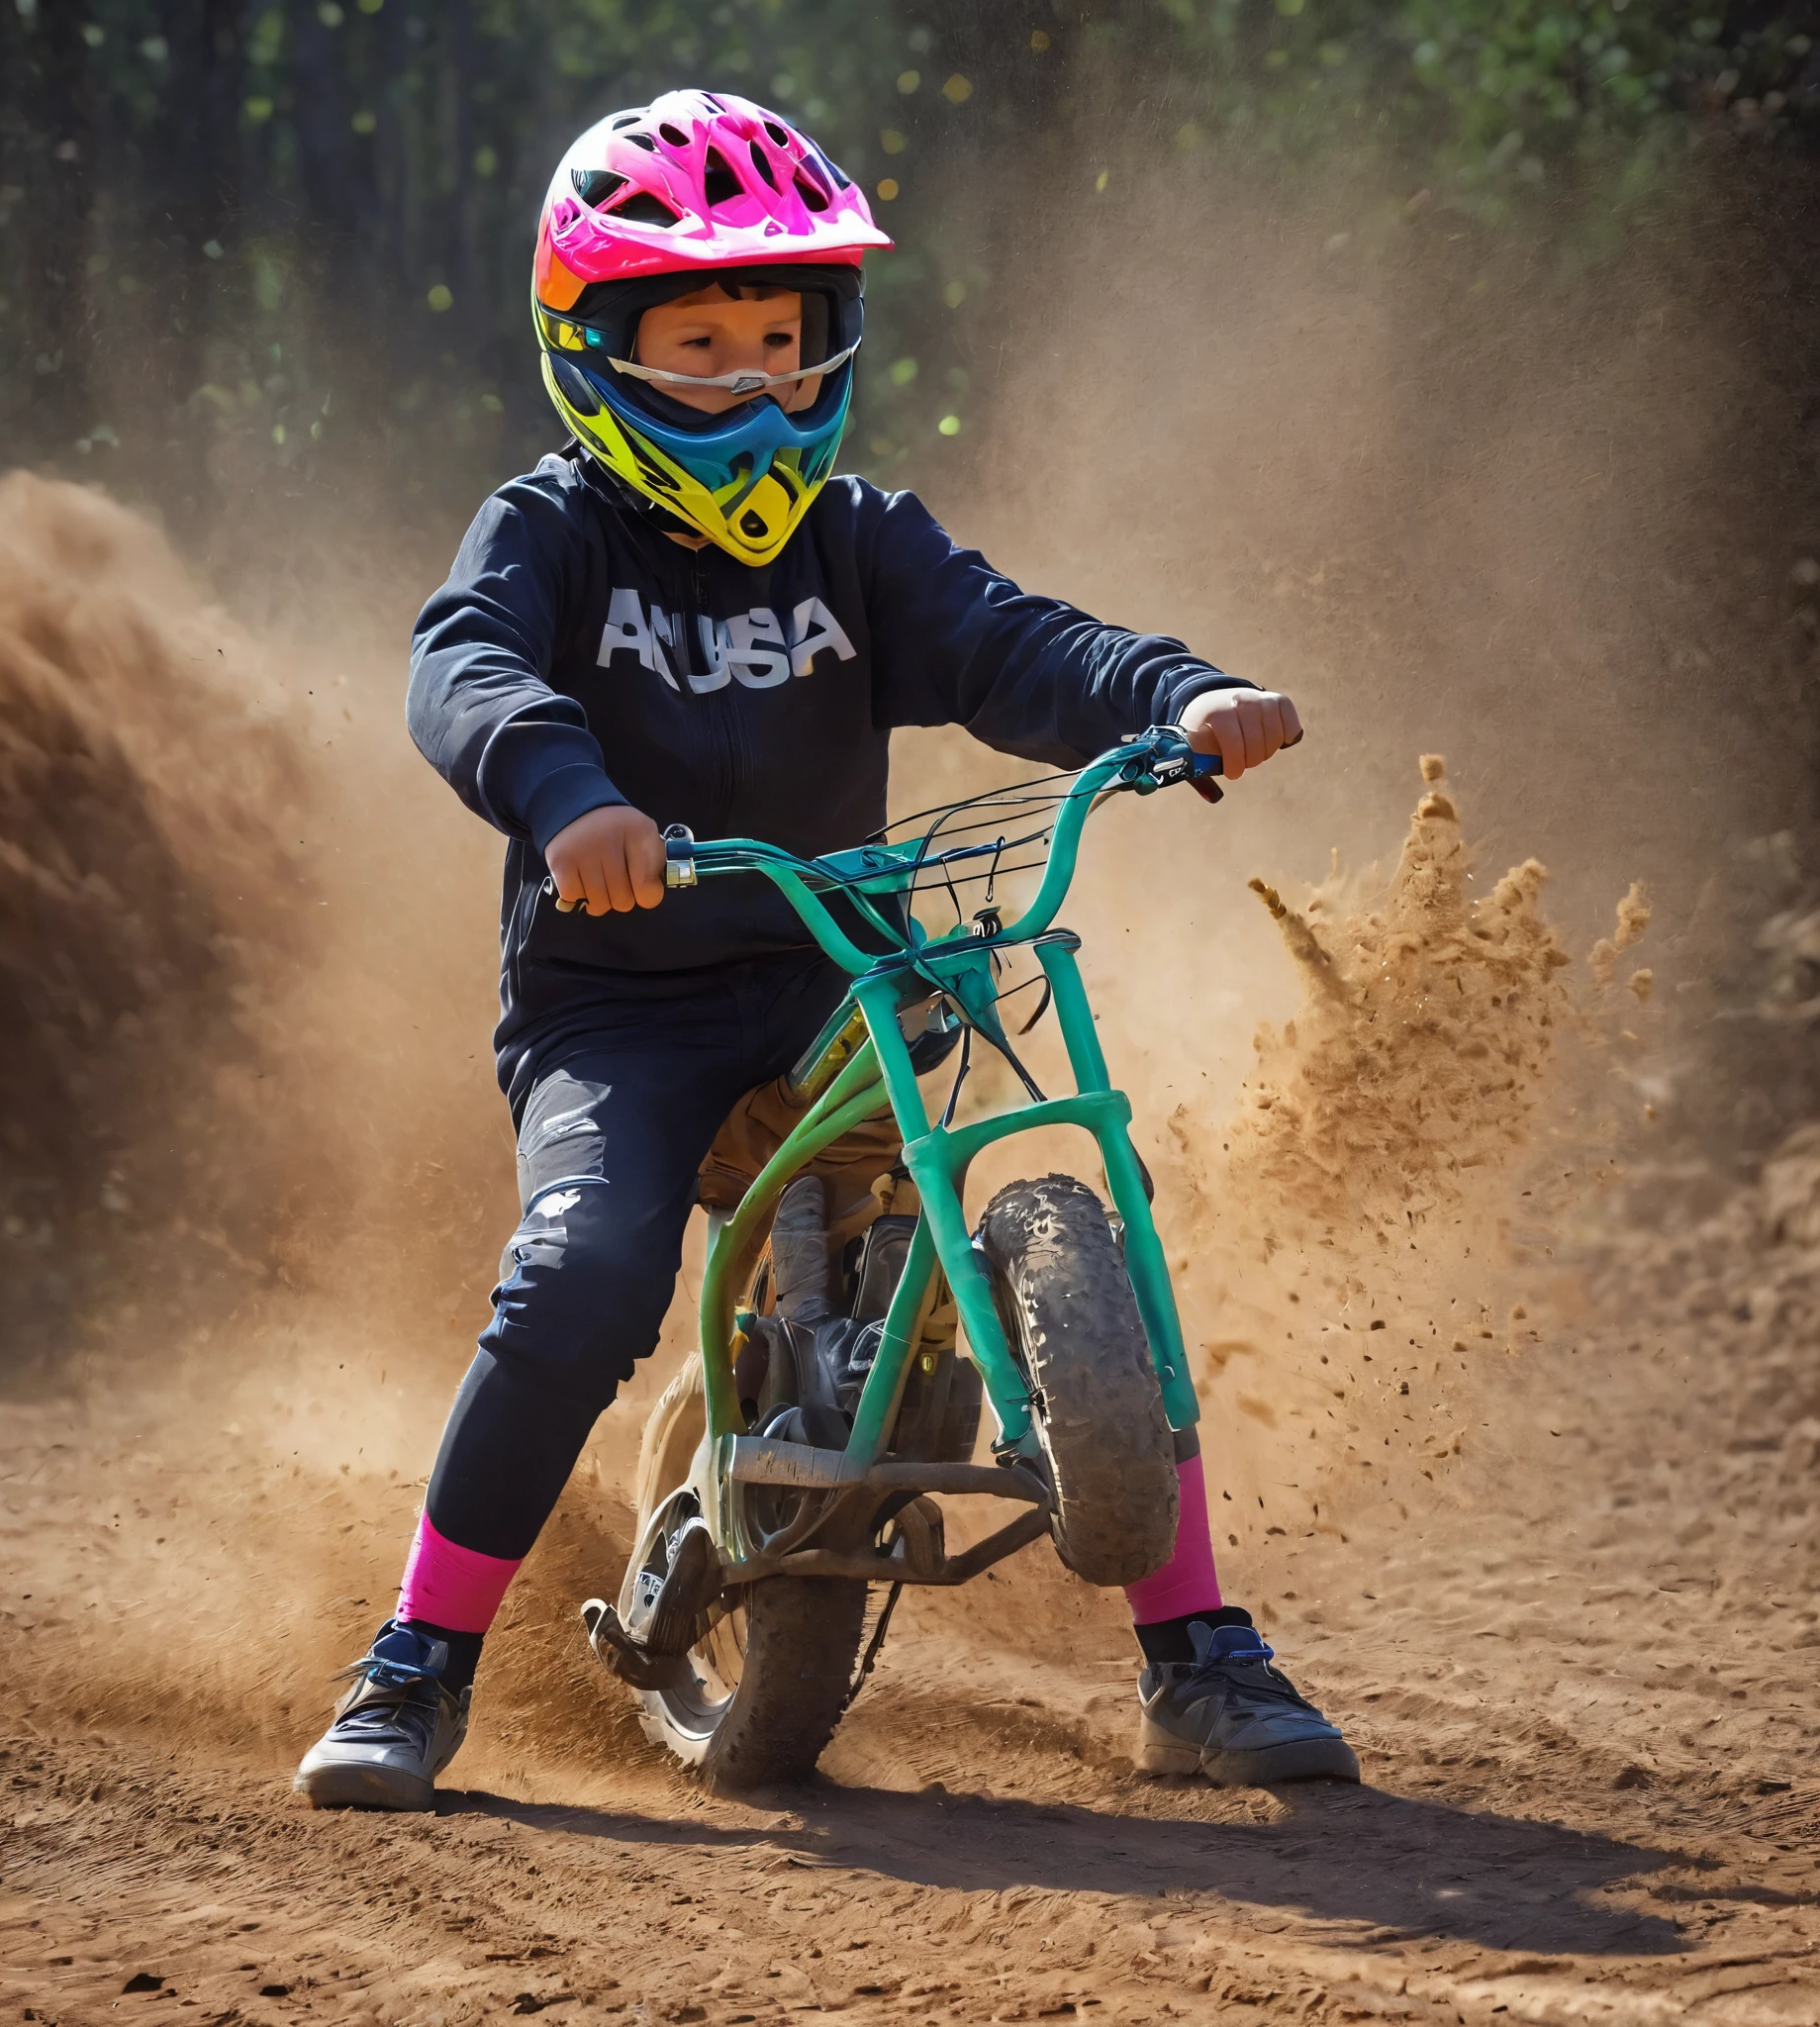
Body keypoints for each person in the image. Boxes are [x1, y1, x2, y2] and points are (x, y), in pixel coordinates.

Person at [295, 88, 1355, 1810]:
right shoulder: (552, 533)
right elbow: (463, 665)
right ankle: (415, 1662)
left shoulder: (864, 539)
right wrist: (566, 797)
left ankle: (1199, 1660)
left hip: (833, 984)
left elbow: (1016, 646)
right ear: (598, 353)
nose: (750, 379)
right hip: (619, 1014)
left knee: (1071, 1188)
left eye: (779, 336)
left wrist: (1178, 695)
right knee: (575, 1282)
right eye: (698, 338)